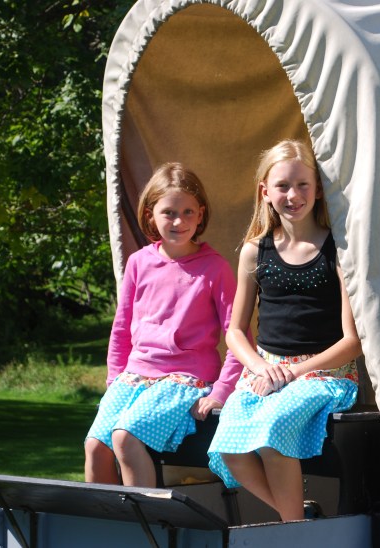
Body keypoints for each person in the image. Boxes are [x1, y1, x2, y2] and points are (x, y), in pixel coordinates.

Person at [208, 139, 362, 521]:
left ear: (318, 188)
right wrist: (261, 367)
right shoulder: (254, 252)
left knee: (273, 434)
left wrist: (293, 372)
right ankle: (300, 519)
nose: (292, 195)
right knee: (228, 445)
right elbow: (235, 332)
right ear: (265, 191)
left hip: (324, 374)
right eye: (282, 186)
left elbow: (353, 342)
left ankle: (293, 532)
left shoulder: (338, 250)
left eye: (302, 185)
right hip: (267, 373)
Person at [84, 162, 243, 487]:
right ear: (150, 215)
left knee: (125, 438)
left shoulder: (214, 268)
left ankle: (147, 531)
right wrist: (115, 378)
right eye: (169, 212)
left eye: (187, 212)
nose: (179, 221)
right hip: (133, 376)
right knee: (95, 446)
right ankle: (111, 529)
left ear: (200, 214)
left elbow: (238, 335)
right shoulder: (139, 262)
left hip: (185, 378)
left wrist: (223, 391)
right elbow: (122, 328)